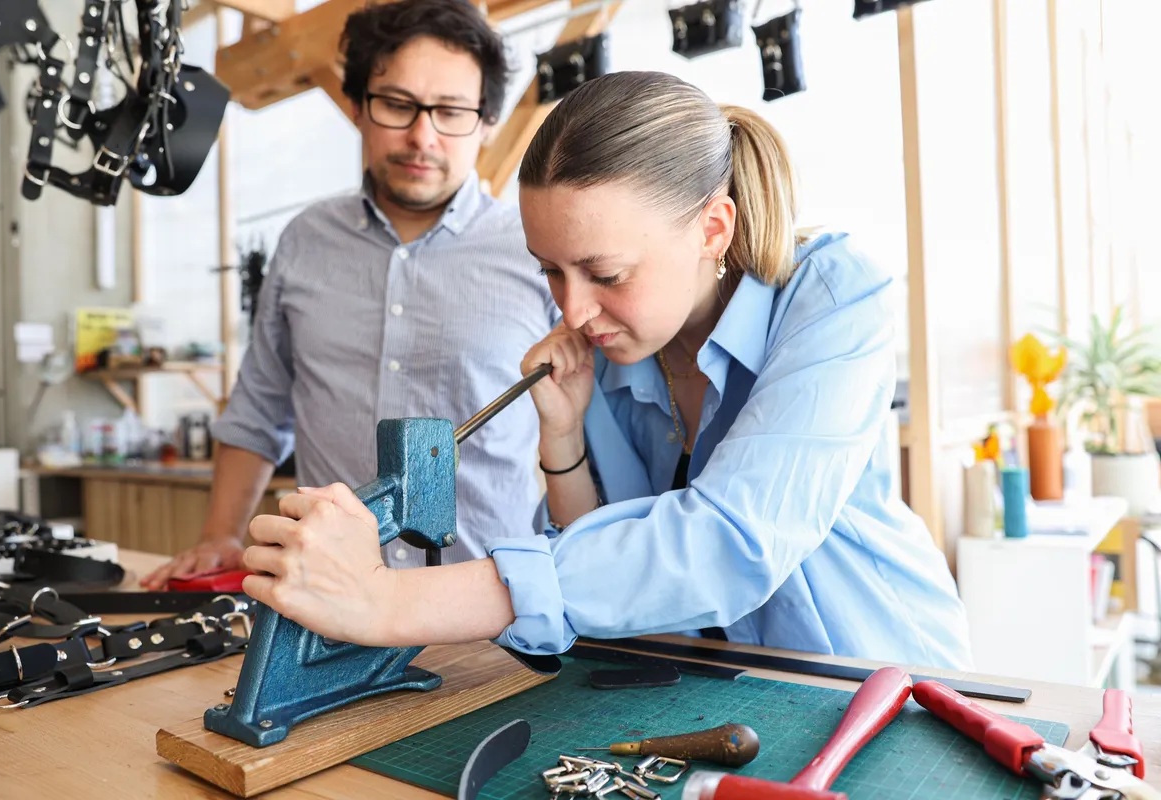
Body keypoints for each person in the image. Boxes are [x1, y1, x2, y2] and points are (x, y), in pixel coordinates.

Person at [236, 71, 974, 670]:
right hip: (711, 686)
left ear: (713, 229)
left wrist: (389, 603)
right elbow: (606, 576)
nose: (574, 308)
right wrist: (562, 438)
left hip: (883, 682)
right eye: (551, 272)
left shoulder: (833, 294)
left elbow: (727, 547)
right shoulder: (610, 350)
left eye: (604, 271)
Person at [141, 0, 557, 589]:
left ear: (486, 121)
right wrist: (220, 535)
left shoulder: (536, 249)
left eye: (451, 111)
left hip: (488, 604)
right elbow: (259, 410)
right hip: (327, 600)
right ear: (359, 106)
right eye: (397, 105)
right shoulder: (306, 240)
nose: (422, 136)